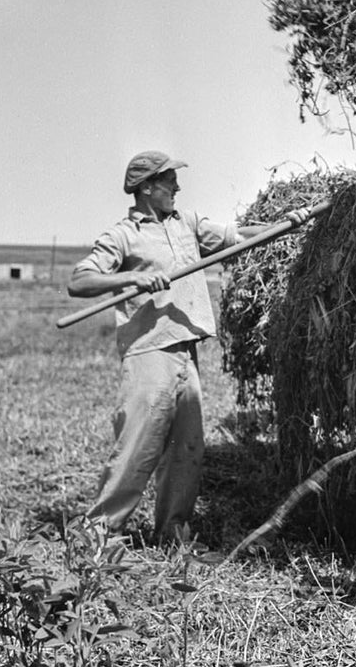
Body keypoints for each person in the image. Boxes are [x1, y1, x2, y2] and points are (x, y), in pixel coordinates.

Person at [68, 150, 307, 543]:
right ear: (146, 188)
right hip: (150, 353)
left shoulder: (187, 224)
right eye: (169, 181)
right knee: (136, 450)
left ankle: (173, 536)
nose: (177, 187)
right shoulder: (123, 235)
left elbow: (238, 236)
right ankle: (98, 540)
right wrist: (132, 278)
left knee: (188, 452)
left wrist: (285, 224)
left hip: (186, 352)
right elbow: (80, 281)